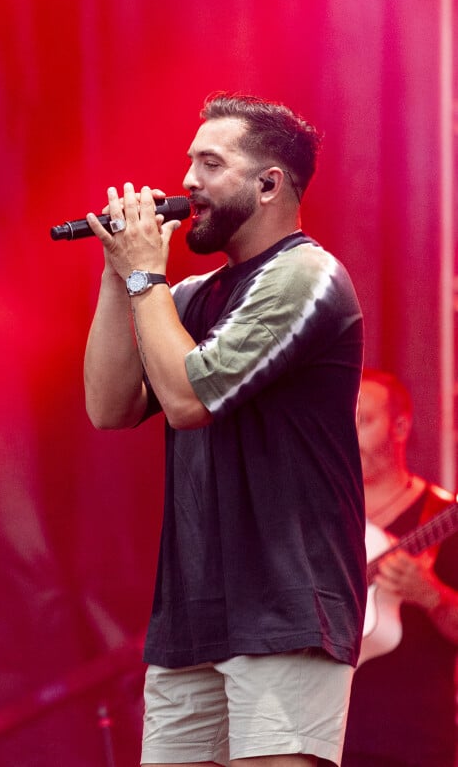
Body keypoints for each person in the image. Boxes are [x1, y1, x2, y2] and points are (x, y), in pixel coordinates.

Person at [83, 92, 366, 767]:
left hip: (287, 611)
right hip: (192, 617)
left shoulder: (306, 275)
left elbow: (186, 400)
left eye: (211, 164)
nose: (187, 182)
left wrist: (146, 274)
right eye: (189, 163)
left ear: (269, 184)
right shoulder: (183, 299)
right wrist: (115, 270)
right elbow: (108, 407)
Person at [342, 368, 458, 767]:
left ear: (401, 426)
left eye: (364, 421)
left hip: (416, 743)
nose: (349, 434)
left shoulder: (441, 517)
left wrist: (431, 595)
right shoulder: (324, 519)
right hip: (325, 734)